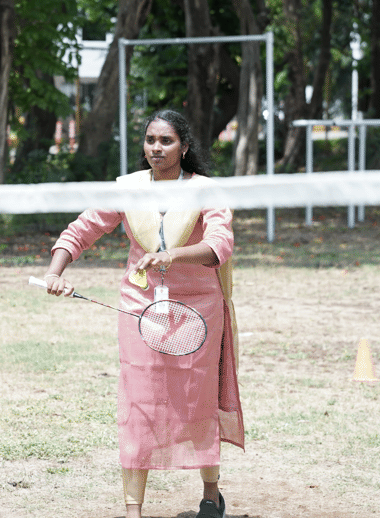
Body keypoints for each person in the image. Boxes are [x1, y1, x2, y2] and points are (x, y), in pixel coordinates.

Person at [41, 109, 243, 518]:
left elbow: (220, 245)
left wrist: (172, 255)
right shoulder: (128, 189)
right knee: (138, 403)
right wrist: (54, 272)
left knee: (197, 401)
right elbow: (81, 230)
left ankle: (210, 495)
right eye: (150, 140)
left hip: (199, 310)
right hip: (140, 310)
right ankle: (133, 510)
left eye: (166, 141)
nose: (156, 148)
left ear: (184, 147)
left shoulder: (207, 190)